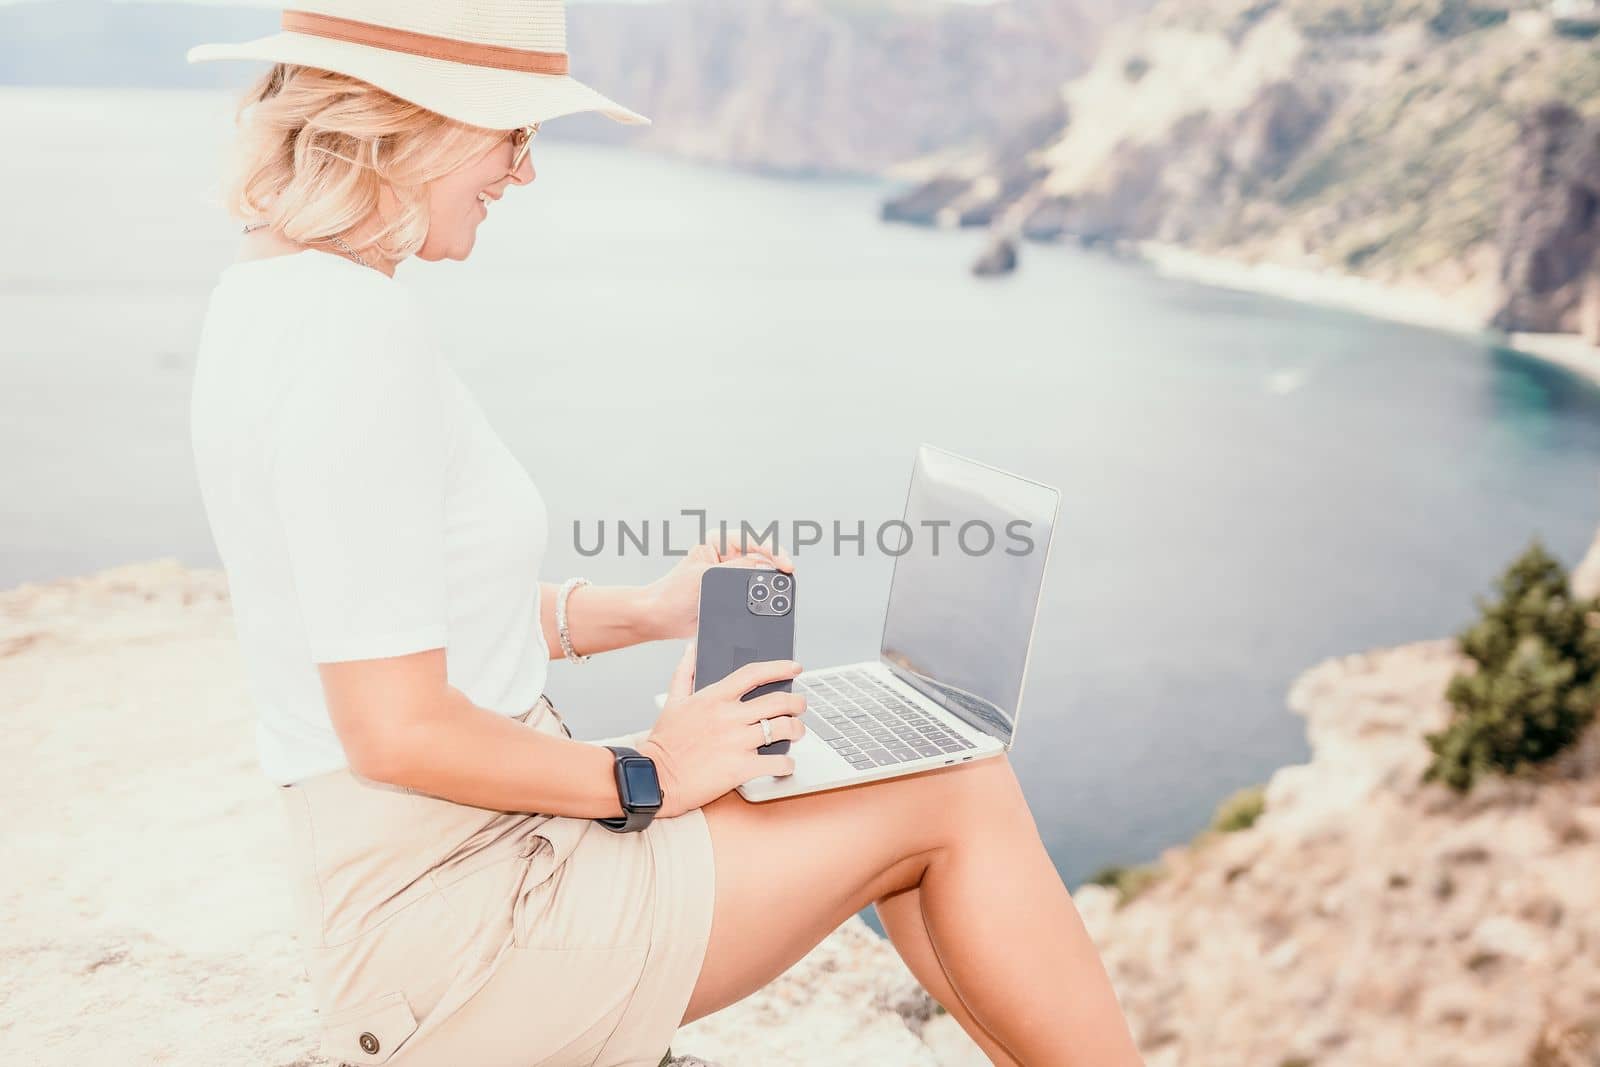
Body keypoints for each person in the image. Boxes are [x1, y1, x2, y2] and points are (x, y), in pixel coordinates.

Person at [185, 2, 1145, 1064]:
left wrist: (644, 610)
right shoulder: (351, 339)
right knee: (954, 785)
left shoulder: (275, 299)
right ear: (417, 121)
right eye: (515, 135)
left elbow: (402, 611)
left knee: (912, 785)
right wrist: (648, 769)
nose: (522, 173)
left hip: (458, 874)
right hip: (466, 931)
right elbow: (394, 728)